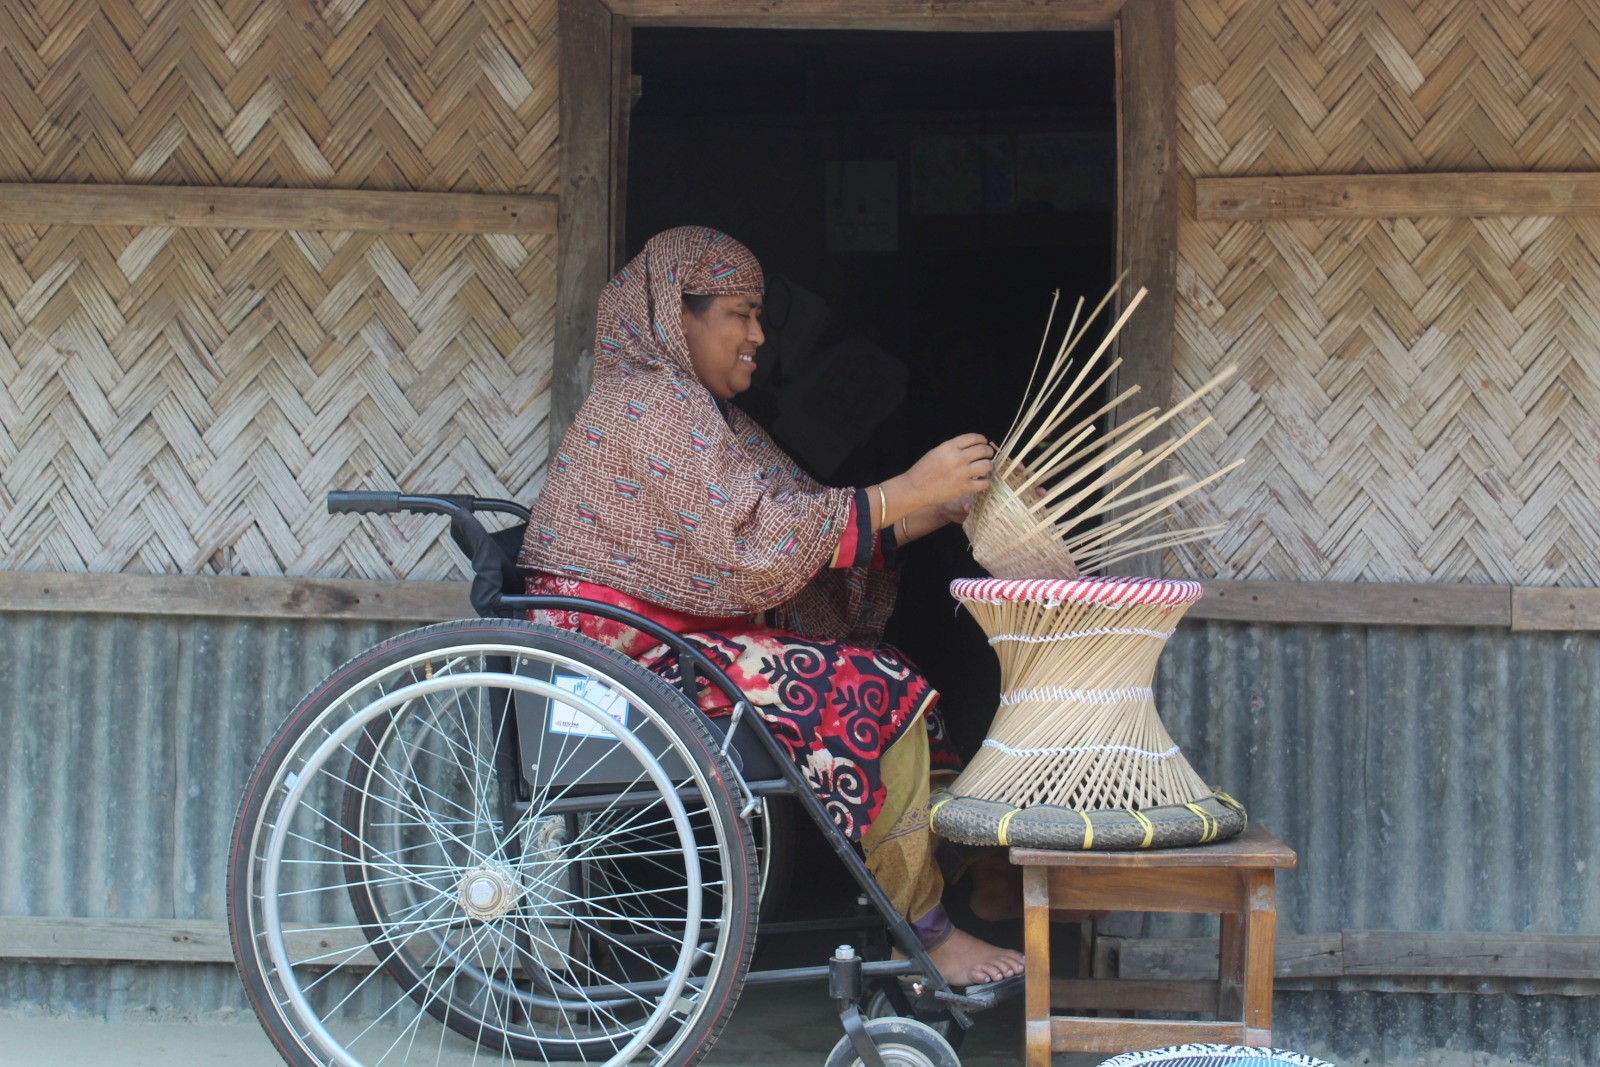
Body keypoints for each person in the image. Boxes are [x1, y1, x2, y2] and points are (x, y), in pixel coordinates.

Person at [519, 225, 1025, 986]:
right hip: (623, 658)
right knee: (878, 690)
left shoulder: (709, 417)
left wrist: (936, 507)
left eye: (760, 315)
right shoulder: (650, 406)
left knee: (892, 677)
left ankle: (937, 896)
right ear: (673, 314)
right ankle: (923, 931)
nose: (759, 335)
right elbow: (755, 546)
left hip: (670, 644)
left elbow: (800, 518)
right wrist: (902, 491)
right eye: (740, 313)